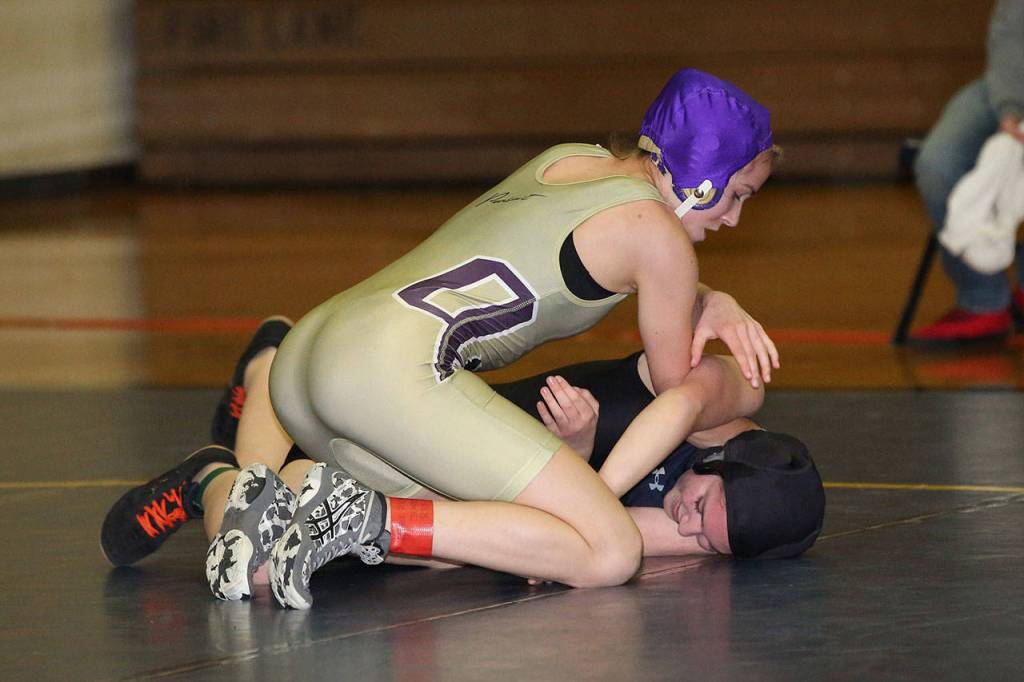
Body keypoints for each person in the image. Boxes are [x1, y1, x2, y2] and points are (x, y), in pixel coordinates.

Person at [104, 68, 797, 609]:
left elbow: (598, 259)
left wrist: (708, 296)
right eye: (736, 194)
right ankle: (366, 521)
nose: (734, 219)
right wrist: (720, 308)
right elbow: (677, 380)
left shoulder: (573, 160)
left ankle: (218, 480)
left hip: (316, 349)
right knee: (609, 552)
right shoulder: (663, 238)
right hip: (389, 376)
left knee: (455, 533)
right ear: (703, 177)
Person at [101, 319, 824, 584]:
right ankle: (271, 364)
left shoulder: (700, 522)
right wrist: (590, 477)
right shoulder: (732, 401)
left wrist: (577, 469)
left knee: (266, 554)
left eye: (709, 542)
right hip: (438, 417)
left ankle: (210, 473)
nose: (689, 525)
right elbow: (678, 404)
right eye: (701, 506)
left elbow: (598, 537)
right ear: (722, 459)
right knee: (293, 455)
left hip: (453, 493)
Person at [910, 0, 1024, 344]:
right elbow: (1011, 33)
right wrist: (1010, 109)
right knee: (937, 162)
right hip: (1010, 83)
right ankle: (983, 299)